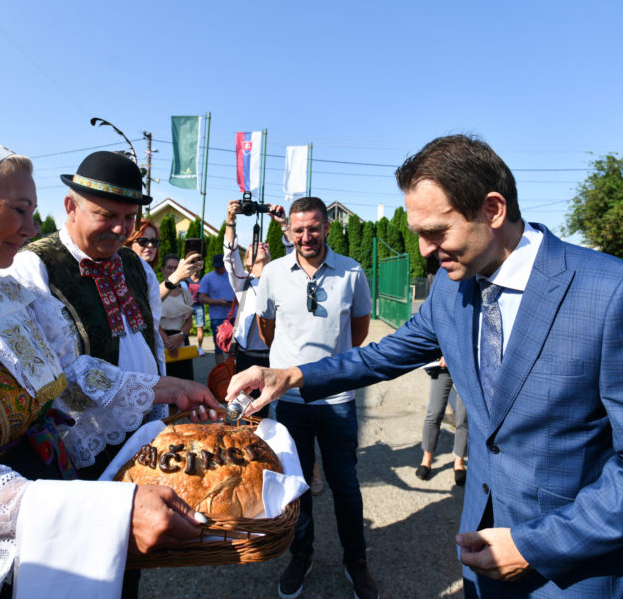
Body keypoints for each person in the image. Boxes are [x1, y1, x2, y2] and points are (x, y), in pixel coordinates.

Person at [228, 134, 623, 598]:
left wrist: (536, 546)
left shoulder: (608, 293)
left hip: (572, 569)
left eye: (435, 231)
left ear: (493, 210)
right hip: (479, 553)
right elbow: (382, 355)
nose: (422, 250)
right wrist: (290, 375)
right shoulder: (452, 288)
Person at [0, 133, 221, 599]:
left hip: (45, 502)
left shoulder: (8, 292)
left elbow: (66, 373)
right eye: (18, 210)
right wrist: (102, 513)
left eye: (31, 212)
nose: (31, 229)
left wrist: (161, 388)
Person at [6, 151, 175, 477]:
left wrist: (160, 411)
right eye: (106, 215)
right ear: (71, 207)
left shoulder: (137, 266)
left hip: (145, 430)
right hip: (81, 444)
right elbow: (49, 372)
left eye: (130, 218)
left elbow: (152, 342)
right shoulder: (34, 267)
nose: (120, 229)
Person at [252, 196, 376, 599]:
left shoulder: (351, 271)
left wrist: (331, 368)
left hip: (337, 400)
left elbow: (359, 332)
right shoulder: (273, 272)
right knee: (297, 484)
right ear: (289, 231)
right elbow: (267, 328)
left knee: (345, 485)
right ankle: (301, 555)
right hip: (289, 402)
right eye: (299, 229)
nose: (306, 236)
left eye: (313, 228)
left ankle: (355, 560)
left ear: (326, 227)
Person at [223, 199, 289, 417]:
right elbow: (230, 257)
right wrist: (230, 220)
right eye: (256, 244)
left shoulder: (282, 280)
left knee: (272, 412)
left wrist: (284, 224)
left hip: (274, 358)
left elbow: (294, 255)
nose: (263, 244)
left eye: (267, 245)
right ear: (247, 260)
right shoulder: (243, 281)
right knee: (244, 412)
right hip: (246, 358)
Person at [417, 356, 468, 485]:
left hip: (467, 365)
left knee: (464, 418)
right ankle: (426, 460)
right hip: (442, 364)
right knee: (434, 413)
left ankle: (459, 462)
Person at [159, 253, 195, 381]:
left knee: (184, 379)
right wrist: (167, 341)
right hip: (162, 341)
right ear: (163, 269)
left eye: (176, 268)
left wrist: (180, 337)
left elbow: (189, 321)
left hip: (181, 340)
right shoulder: (157, 292)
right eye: (169, 267)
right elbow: (153, 320)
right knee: (166, 380)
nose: (173, 271)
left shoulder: (185, 294)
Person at [198, 253, 236, 365]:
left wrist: (235, 302)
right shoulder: (208, 278)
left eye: (220, 266)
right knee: (219, 348)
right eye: (216, 267)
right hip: (217, 318)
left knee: (234, 348)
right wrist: (218, 302)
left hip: (234, 316)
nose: (218, 269)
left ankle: (233, 370)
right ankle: (221, 371)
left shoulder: (233, 276)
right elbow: (201, 298)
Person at [186, 269, 205, 353]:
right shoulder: (186, 280)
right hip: (188, 306)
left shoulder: (202, 280)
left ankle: (200, 348)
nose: (195, 271)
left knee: (200, 327)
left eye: (197, 269)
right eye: (194, 268)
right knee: (186, 327)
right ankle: (186, 346)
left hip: (199, 306)